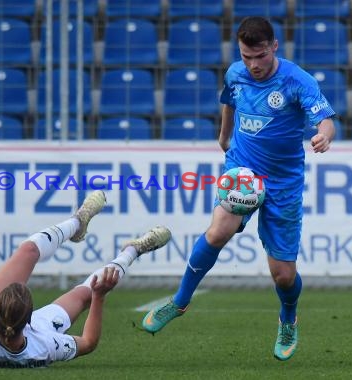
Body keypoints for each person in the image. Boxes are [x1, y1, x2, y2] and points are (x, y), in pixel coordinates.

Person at [142, 16, 336, 361]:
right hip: (242, 169)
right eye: (247, 56)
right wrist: (224, 134)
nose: (253, 64)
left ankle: (288, 318)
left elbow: (325, 118)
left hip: (284, 181)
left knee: (284, 274)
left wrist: (324, 136)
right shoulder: (235, 73)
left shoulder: (296, 81)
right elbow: (229, 99)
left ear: (273, 47)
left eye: (259, 56)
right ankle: (179, 302)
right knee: (218, 232)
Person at [0, 190, 172, 368]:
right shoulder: (45, 344)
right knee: (87, 293)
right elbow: (87, 342)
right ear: (29, 319)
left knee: (28, 251)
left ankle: (79, 222)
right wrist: (98, 298)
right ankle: (132, 250)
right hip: (34, 331)